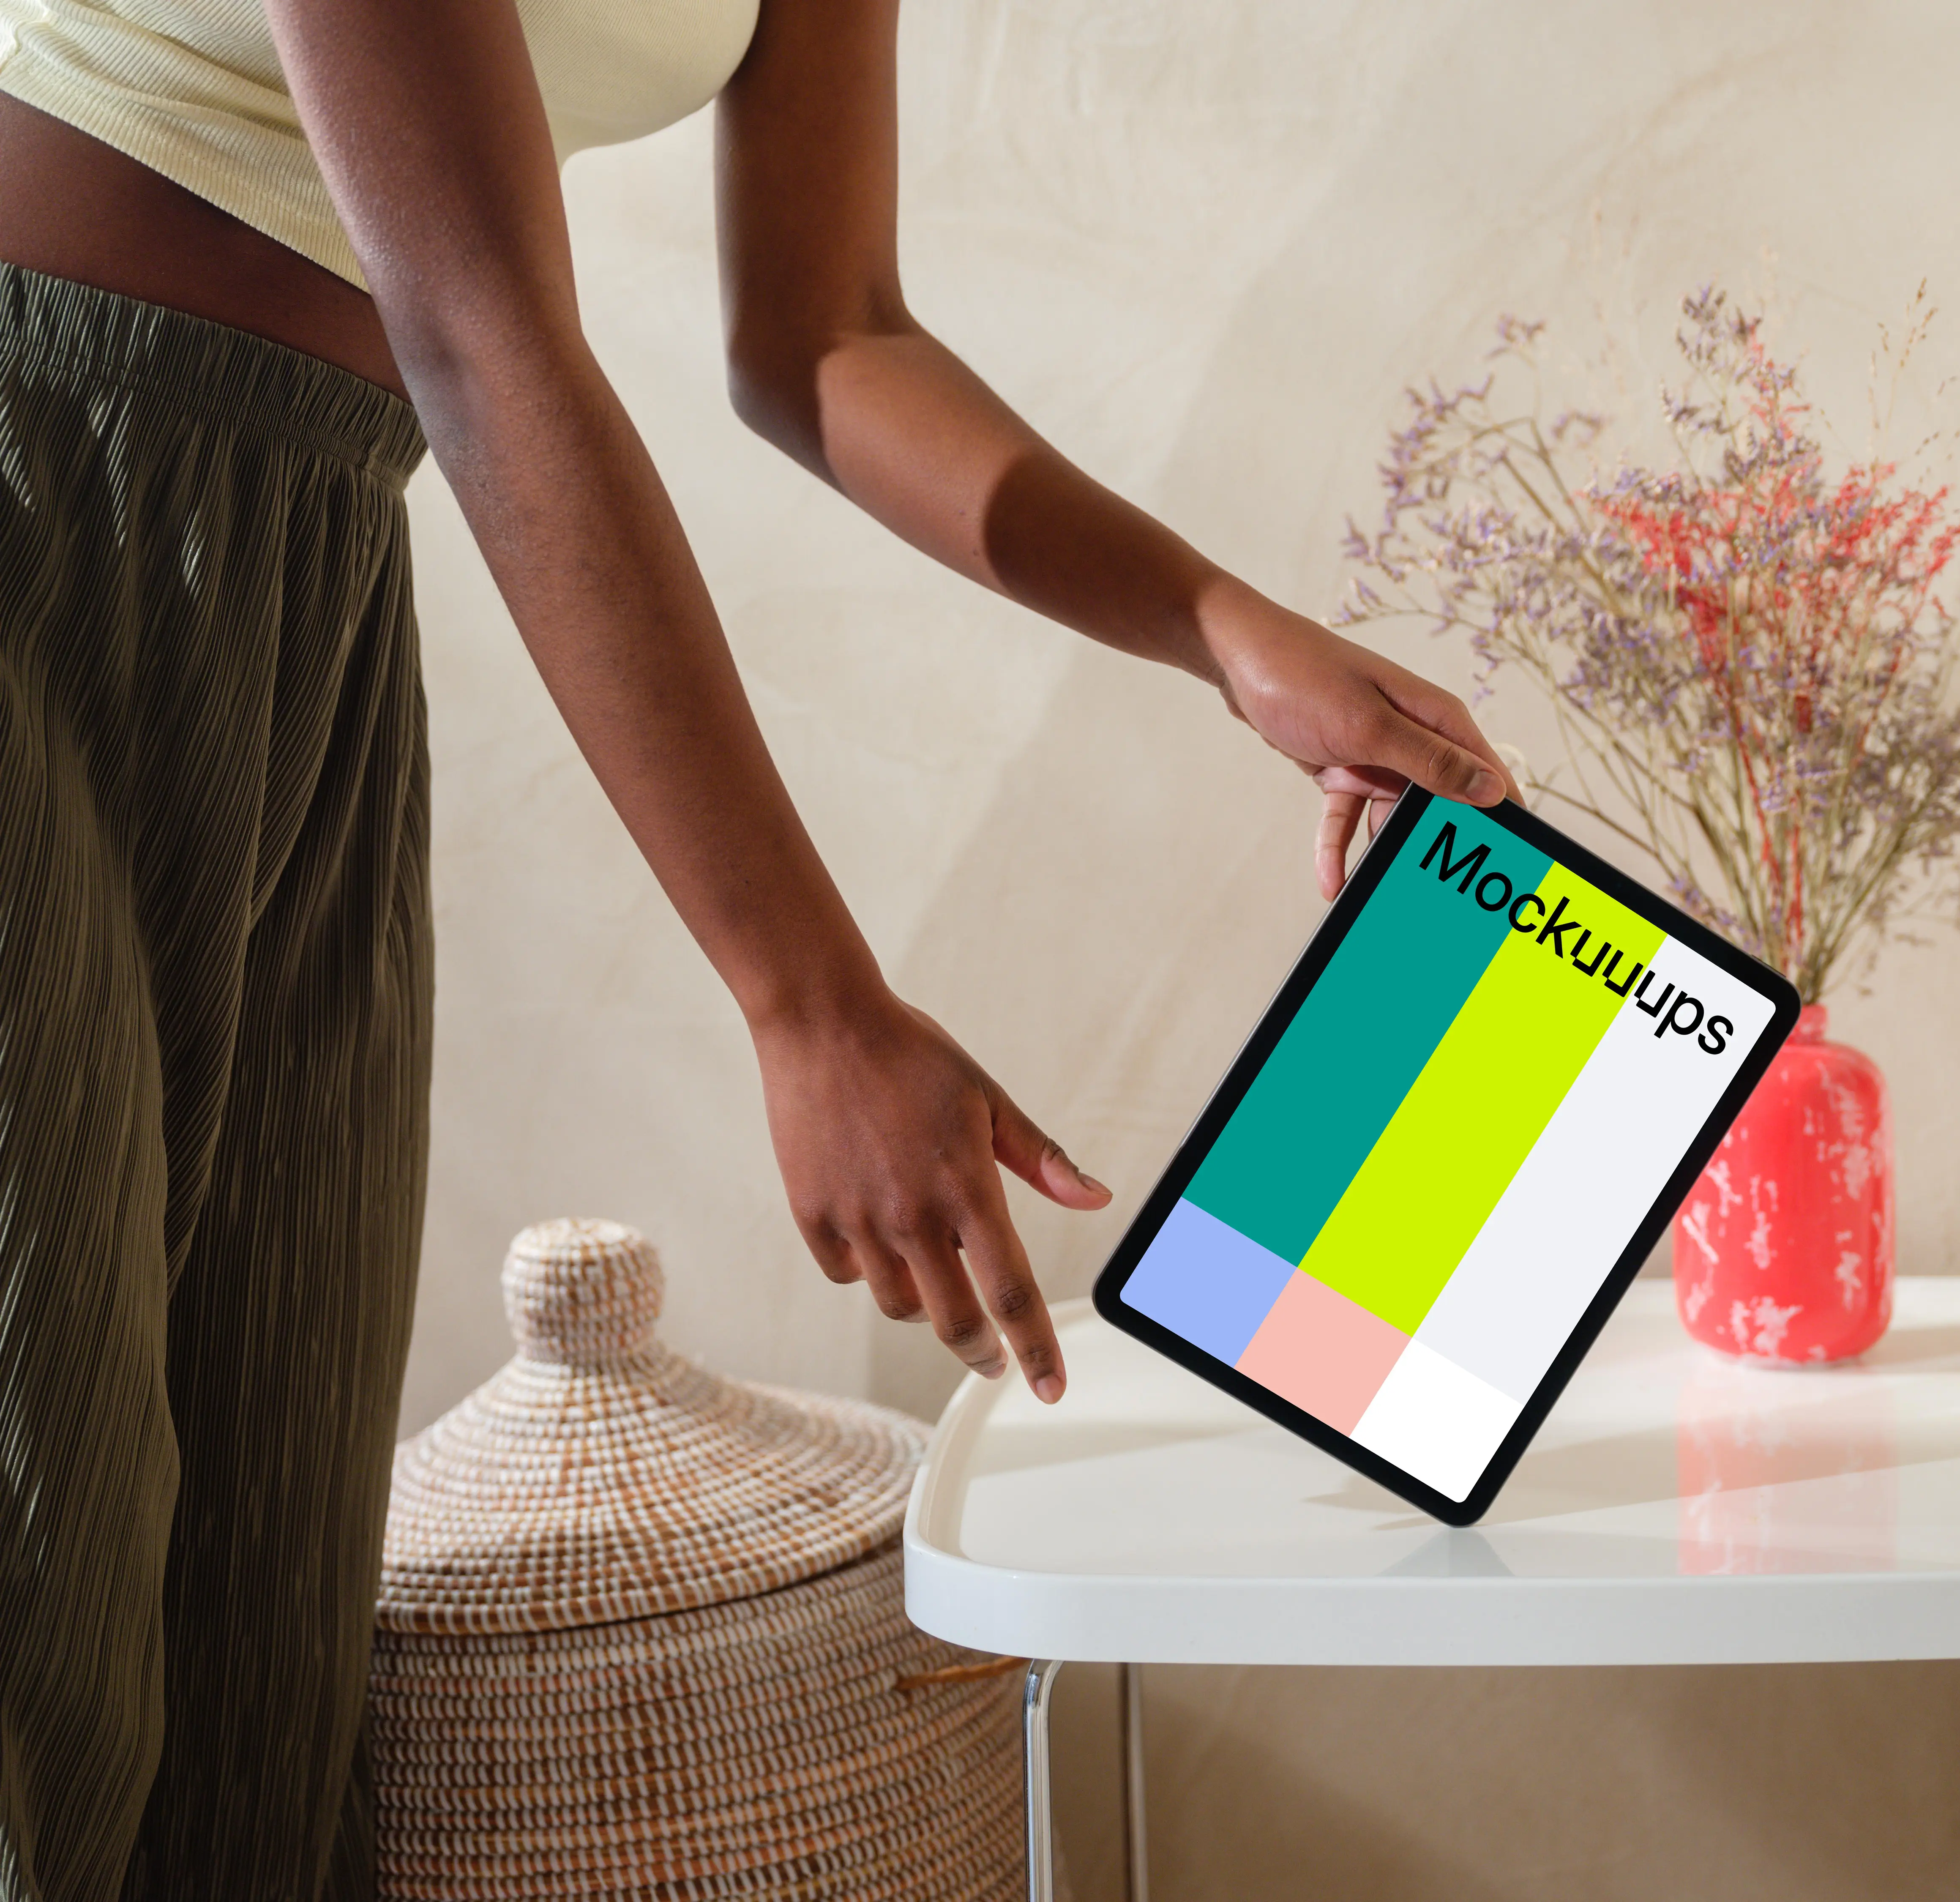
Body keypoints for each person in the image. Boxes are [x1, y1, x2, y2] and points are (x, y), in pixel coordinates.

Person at [0, 0, 1514, 1888]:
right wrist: (809, 1004)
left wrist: (1224, 630)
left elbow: (829, 335)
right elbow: (479, 327)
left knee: (255, 1627)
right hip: (39, 481)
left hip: (315, 557)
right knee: (36, 1581)